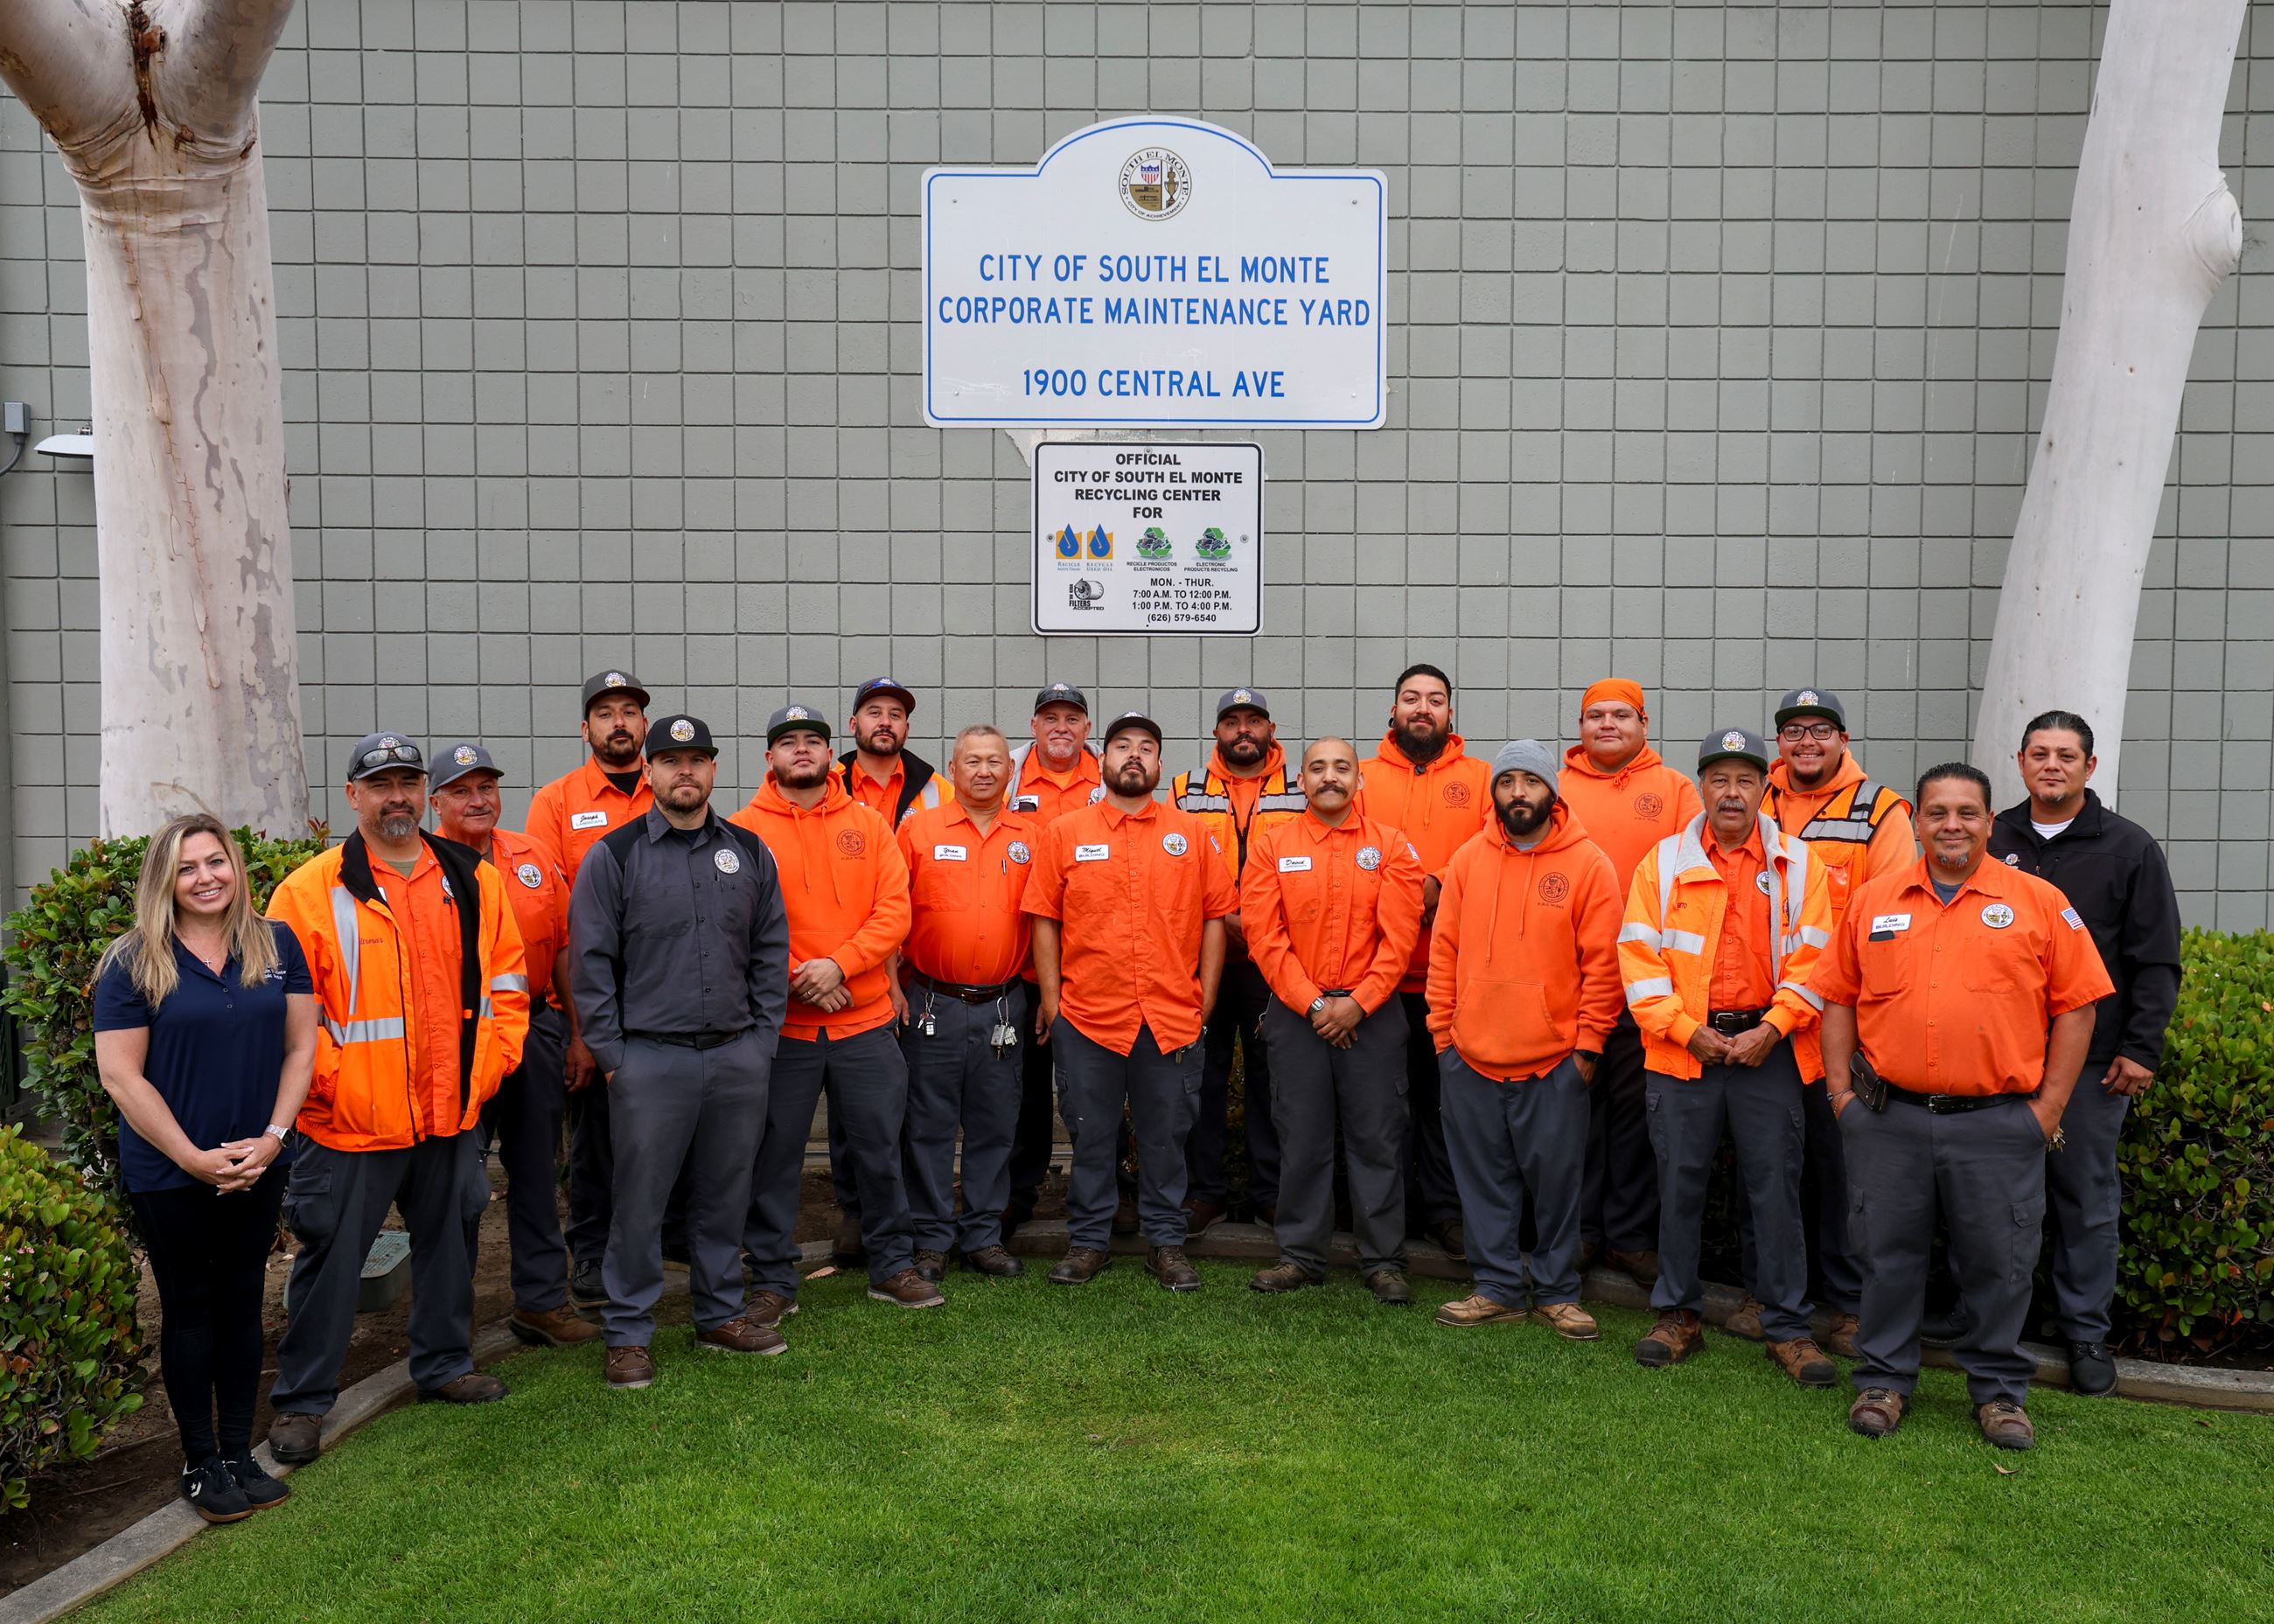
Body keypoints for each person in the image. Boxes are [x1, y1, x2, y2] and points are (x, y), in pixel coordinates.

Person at [1817, 763, 2112, 1451]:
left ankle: (2000, 1392)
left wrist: (2048, 1109)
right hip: (1888, 1119)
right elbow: (1837, 997)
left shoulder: (2039, 901)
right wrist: (1840, 1093)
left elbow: (2078, 1007)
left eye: (1968, 812)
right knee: (1885, 1255)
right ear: (1916, 821)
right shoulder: (1873, 900)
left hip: (1999, 1123)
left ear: (1989, 821)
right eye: (1938, 812)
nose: (1952, 825)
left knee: (2001, 1260)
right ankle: (1884, 1379)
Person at [264, 734, 530, 1463]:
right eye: (381, 784)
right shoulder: (308, 890)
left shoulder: (471, 878)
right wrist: (332, 1082)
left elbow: (507, 984)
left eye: (409, 782)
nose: (398, 797)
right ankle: (303, 1401)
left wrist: (490, 1068)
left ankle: (444, 1365)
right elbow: (287, 1011)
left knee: (452, 1244)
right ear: (353, 796)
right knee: (331, 1259)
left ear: (426, 792)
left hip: (450, 1110)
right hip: (351, 1120)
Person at [94, 815, 318, 1523]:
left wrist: (275, 1138)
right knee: (191, 1309)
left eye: (216, 861)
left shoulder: (276, 943)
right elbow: (121, 1077)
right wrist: (191, 1156)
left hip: (258, 1161)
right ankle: (199, 1463)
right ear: (166, 880)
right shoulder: (132, 962)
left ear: (235, 867)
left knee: (242, 1302)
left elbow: (300, 1048)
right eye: (187, 867)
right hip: (170, 1172)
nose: (205, 877)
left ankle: (236, 1450)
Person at [569, 714, 792, 1388]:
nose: (685, 771)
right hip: (649, 1062)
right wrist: (615, 1058)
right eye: (671, 760)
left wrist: (760, 1042)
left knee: (725, 1194)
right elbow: (591, 964)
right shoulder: (614, 855)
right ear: (650, 771)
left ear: (714, 770)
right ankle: (629, 1331)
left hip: (735, 1057)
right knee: (639, 1202)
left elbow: (770, 951)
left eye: (697, 759)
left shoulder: (750, 851)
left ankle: (720, 1311)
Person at [1620, 728, 1838, 1386]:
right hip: (1683, 1050)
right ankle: (1675, 1313)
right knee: (1680, 1186)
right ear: (1701, 787)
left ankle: (1789, 1326)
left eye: (1745, 779)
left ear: (1763, 787)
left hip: (1766, 1050)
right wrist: (1686, 1030)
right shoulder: (1660, 863)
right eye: (1719, 779)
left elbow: (1817, 959)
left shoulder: (1801, 864)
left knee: (1774, 1188)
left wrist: (1772, 1028)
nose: (1732, 792)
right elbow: (1638, 959)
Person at [1989, 709, 2181, 1397]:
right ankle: (1980, 1316)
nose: (2052, 765)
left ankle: (2086, 1333)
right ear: (2020, 761)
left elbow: (2155, 959)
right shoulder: (1991, 835)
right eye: (2039, 753)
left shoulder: (2128, 847)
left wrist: (2141, 1048)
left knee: (2085, 1200)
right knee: (1991, 1198)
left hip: (2095, 1065)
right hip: (1999, 1061)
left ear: (2089, 767)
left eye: (2066, 755)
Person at [732, 705, 936, 1314]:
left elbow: (894, 911)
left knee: (879, 1149)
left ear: (831, 754)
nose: (801, 751)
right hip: (784, 1029)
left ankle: (892, 1264)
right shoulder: (742, 830)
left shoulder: (870, 825)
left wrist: (839, 966)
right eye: (788, 742)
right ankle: (771, 1277)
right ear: (769, 757)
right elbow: (739, 922)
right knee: (775, 1157)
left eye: (812, 742)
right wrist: (802, 974)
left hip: (864, 1021)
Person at [1731, 687, 1915, 1356]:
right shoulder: (1757, 798)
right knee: (1768, 1166)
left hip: (1840, 1022)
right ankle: (1766, 1292)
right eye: (1793, 731)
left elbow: (1889, 910)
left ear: (1842, 738)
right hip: (1768, 1021)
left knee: (1844, 1171)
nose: (1806, 743)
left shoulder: (1881, 810)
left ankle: (1847, 1305)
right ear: (1778, 741)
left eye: (1820, 730)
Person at [1024, 711, 1237, 1290]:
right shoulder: (1064, 832)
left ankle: (1165, 1243)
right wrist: (1053, 1000)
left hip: (1169, 1016)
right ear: (1105, 758)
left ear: (1159, 763)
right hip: (1088, 1016)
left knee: (1167, 1136)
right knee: (1091, 1134)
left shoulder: (1191, 834)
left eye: (1147, 746)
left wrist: (1206, 998)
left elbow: (1218, 916)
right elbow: (1044, 918)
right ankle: (1089, 1241)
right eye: (1123, 746)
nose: (1135, 756)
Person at [1426, 742, 1623, 1339]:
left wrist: (1586, 1050)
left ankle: (1560, 1292)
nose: (1518, 792)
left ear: (1551, 792)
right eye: (1507, 781)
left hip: (1554, 1064)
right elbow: (1443, 952)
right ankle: (1499, 1288)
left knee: (1559, 1186)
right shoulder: (1467, 860)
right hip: (1471, 1059)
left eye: (1530, 782)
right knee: (1483, 1181)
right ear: (1495, 793)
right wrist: (1444, 1039)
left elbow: (1604, 967)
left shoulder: (1590, 864)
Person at [1241, 736, 1426, 1302]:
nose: (1329, 777)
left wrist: (1358, 1003)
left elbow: (1401, 939)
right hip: (1299, 1015)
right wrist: (1316, 1004)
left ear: (1359, 780)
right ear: (1301, 781)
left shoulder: (1391, 846)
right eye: (1318, 767)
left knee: (1378, 1139)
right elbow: (1263, 935)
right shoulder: (1272, 846)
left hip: (1372, 1014)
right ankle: (1299, 1255)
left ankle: (1384, 1260)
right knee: (1302, 1137)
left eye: (1341, 767)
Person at [430, 742, 598, 1350]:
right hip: (457, 1043)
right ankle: (451, 1326)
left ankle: (542, 1303)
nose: (477, 800)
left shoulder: (532, 855)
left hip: (532, 1031)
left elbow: (560, 950)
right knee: (459, 1183)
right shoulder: (421, 864)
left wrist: (577, 1035)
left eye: (486, 788)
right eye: (461, 790)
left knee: (535, 1172)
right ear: (437, 802)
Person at [522, 668, 661, 1307]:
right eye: (606, 713)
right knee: (599, 1135)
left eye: (630, 711)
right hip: (597, 992)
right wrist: (579, 1026)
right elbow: (555, 918)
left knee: (668, 1124)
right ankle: (592, 1252)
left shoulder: (670, 787)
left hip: (667, 990)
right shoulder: (556, 802)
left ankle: (666, 1240)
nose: (620, 723)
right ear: (586, 728)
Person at [1557, 679, 1703, 1284]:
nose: (1607, 724)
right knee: (1573, 1117)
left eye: (1621, 715)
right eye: (1596, 716)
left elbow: (1699, 873)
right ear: (1581, 726)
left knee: (1639, 1118)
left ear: (1644, 723)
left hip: (1650, 987)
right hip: (1571, 985)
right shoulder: (1556, 787)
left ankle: (1631, 1236)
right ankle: (1582, 1232)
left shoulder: (1674, 790)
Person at [1355, 664, 1489, 1258]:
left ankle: (1443, 1210)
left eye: (1435, 699)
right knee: (1381, 1104)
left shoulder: (1484, 778)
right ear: (1392, 708)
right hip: (1374, 976)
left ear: (1450, 713)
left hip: (1451, 978)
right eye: (1411, 697)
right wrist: (1410, 892)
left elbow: (1492, 853)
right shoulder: (1357, 777)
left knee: (1446, 1104)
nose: (1422, 708)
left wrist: (1440, 881)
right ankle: (1383, 1212)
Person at [896, 725, 1038, 1279]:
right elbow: (889, 912)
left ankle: (983, 1235)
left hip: (1006, 1005)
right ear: (952, 771)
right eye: (971, 761)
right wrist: (890, 987)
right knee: (928, 1124)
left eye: (994, 761)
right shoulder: (919, 831)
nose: (983, 770)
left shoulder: (1033, 836)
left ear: (1009, 771)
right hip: (933, 1003)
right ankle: (931, 1238)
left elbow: (1047, 920)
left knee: (995, 1123)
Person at [1171, 687, 1306, 1232]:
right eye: (1233, 722)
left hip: (1275, 957)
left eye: (1254, 721)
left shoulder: (1300, 787)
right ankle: (1205, 1192)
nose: (1243, 731)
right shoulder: (1186, 789)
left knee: (1272, 1077)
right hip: (1204, 956)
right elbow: (1175, 868)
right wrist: (1220, 918)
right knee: (1203, 1075)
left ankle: (1270, 1192)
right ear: (1216, 733)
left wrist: (1259, 926)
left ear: (1271, 729)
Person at [1003, 681, 1106, 1237]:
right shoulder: (1010, 780)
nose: (1061, 726)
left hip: (1095, 964)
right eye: (1050, 718)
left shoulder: (1108, 780)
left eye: (1072, 717)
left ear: (1088, 728)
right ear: (1034, 726)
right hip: (1021, 962)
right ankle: (1020, 1191)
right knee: (1026, 1086)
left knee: (1100, 1087)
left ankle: (1105, 1189)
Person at [837, 676, 952, 827]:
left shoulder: (939, 790)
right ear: (853, 725)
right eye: (875, 713)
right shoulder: (830, 786)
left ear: (906, 729)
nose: (885, 722)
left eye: (895, 715)